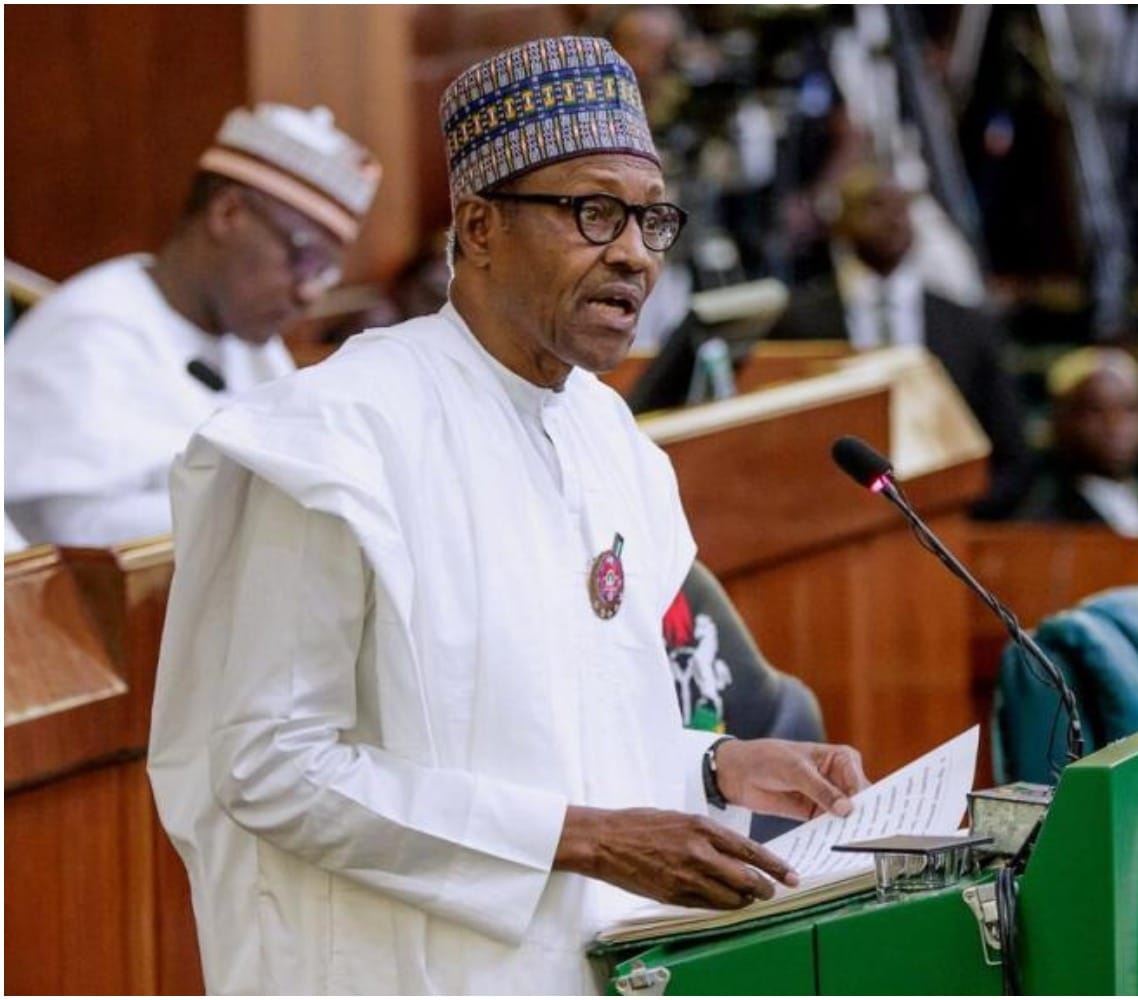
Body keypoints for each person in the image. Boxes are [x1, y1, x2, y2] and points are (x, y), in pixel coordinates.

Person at [148, 37, 868, 996]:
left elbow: (563, 728)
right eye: (594, 212)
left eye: (653, 220)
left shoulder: (607, 434)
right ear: (479, 227)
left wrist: (718, 768)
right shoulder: (335, 440)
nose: (634, 254)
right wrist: (586, 840)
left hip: (602, 964)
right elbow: (270, 765)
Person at [4, 104, 380, 547]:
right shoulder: (91, 333)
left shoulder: (252, 344)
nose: (308, 293)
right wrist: (267, 510)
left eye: (325, 273)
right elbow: (70, 530)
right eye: (303, 258)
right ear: (228, 213)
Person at [766, 164, 1033, 519]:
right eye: (875, 205)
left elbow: (1011, 453)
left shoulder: (968, 325)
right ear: (842, 221)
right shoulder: (798, 323)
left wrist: (953, 515)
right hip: (836, 516)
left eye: (902, 206)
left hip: (951, 518)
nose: (894, 219)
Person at [1019, 346, 1138, 536]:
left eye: (1129, 409)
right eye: (1096, 410)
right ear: (1060, 421)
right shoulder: (1043, 524)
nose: (1115, 425)